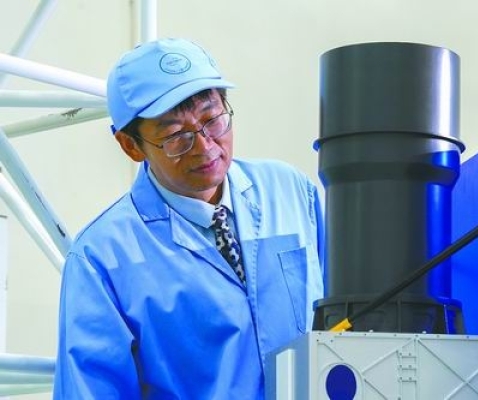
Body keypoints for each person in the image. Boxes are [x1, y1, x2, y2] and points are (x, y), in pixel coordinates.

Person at [53, 37, 325, 399]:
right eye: (176, 136)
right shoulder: (102, 258)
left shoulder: (291, 192)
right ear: (130, 145)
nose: (206, 146)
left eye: (213, 120)